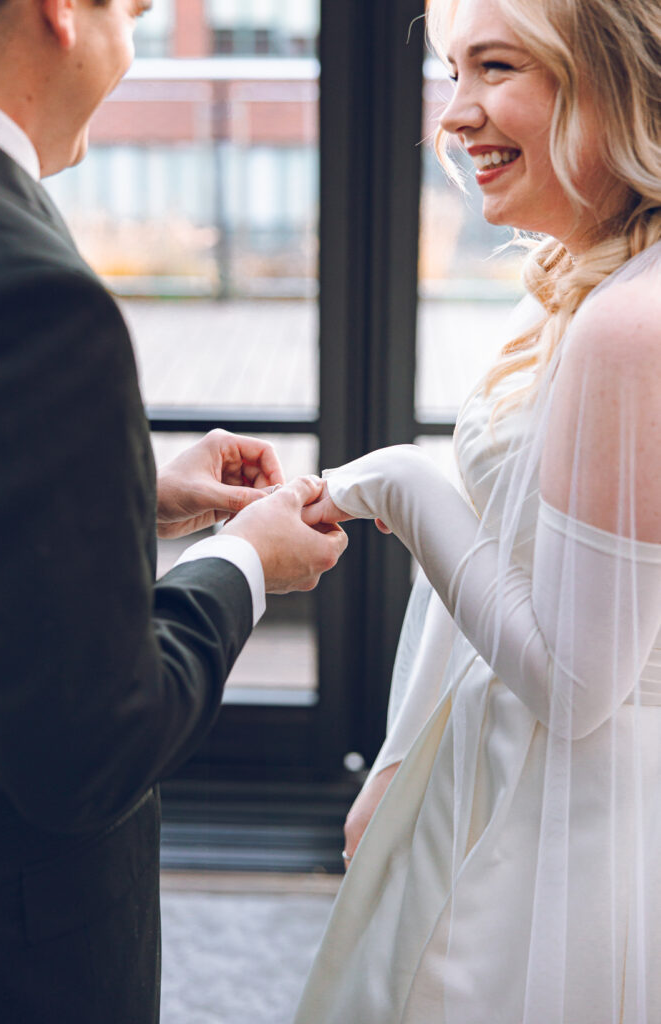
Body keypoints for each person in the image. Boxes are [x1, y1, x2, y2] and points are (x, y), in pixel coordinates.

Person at [0, 0, 348, 1021]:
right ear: (62, 12)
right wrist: (239, 562)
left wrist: (128, 488)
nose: (134, 41)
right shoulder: (38, 295)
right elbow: (87, 750)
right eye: (134, 10)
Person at [295, 0, 661, 1020]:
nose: (451, 118)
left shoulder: (630, 325)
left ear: (613, 80)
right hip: (492, 778)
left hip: (570, 834)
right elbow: (511, 541)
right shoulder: (582, 276)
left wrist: (398, 486)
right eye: (451, 74)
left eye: (492, 68)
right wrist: (407, 755)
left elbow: (578, 684)